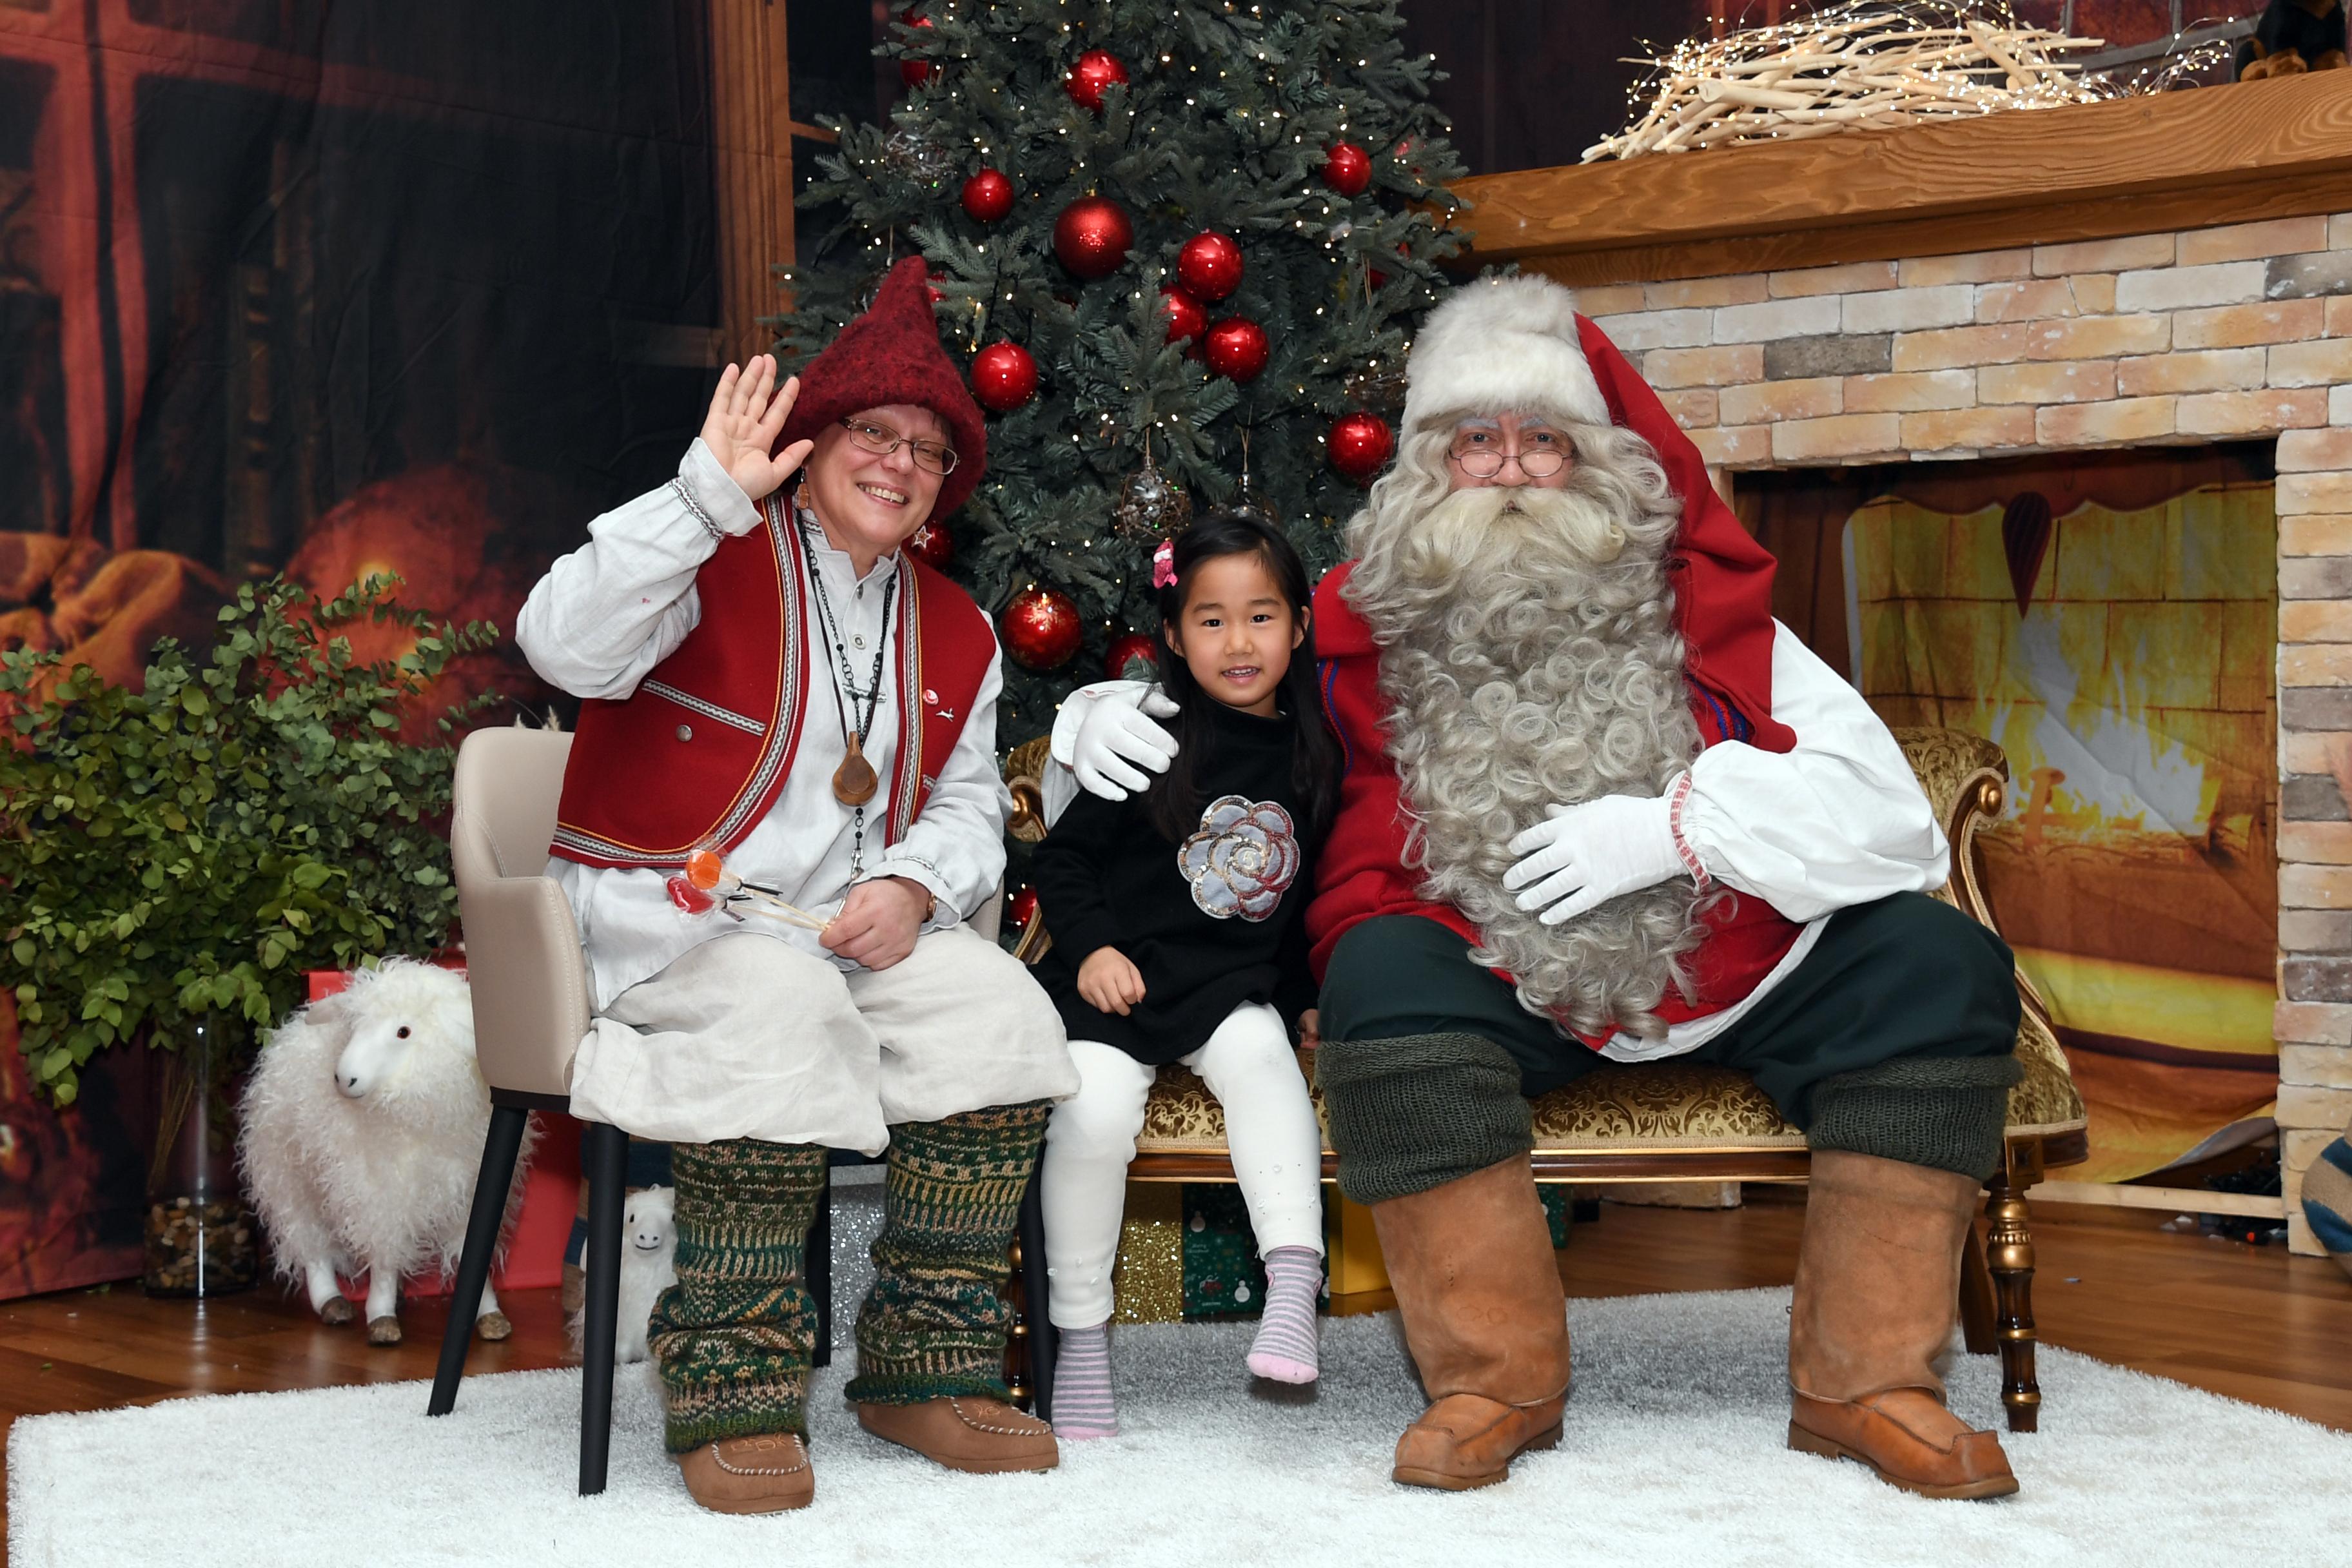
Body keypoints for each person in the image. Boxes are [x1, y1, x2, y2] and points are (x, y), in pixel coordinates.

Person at [1055, 273, 2026, 1500]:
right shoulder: (1358, 628)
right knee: (1385, 976)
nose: (1509, 469)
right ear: (1426, 467)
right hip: (1495, 970)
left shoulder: (1714, 616)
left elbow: (1893, 824)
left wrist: (1681, 826)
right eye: (1476, 440)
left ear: (1598, 463)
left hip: (1738, 960)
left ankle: (1868, 1384)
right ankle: (1492, 1381)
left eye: (1544, 440)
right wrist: (1103, 709)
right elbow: (1228, 687)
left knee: (1939, 968)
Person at [515, 257, 1078, 1515]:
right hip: (672, 927)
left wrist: (920, 884)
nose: (898, 462)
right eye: (873, 431)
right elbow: (558, 641)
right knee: (776, 1006)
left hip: (847, 933)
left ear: (946, 490)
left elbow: (971, 801)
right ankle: (734, 1384)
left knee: (1001, 1016)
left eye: (928, 451)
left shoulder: (961, 626)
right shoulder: (705, 549)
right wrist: (701, 497)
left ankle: (922, 1367)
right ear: (813, 441)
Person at [1029, 512, 1337, 1438]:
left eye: (1261, 616)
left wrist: (1305, 998)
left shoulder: (1316, 755)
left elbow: (1299, 904)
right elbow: (1062, 864)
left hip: (1226, 986)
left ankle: (1292, 1277)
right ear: (1172, 635)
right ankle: (1081, 1336)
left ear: (1301, 623)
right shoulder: (1149, 735)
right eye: (1211, 620)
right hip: (1116, 984)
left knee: (1263, 1059)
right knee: (1091, 1113)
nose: (1238, 642)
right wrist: (1091, 951)